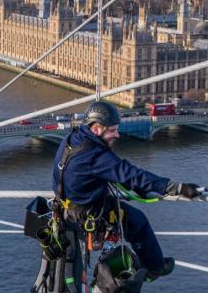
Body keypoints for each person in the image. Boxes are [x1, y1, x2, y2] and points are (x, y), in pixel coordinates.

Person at [52, 100, 200, 279]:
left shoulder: (72, 139)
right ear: (97, 128)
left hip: (65, 206)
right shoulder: (96, 155)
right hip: (87, 212)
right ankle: (155, 268)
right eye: (112, 130)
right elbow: (131, 175)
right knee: (138, 222)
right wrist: (176, 187)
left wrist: (137, 188)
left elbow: (102, 174)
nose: (118, 135)